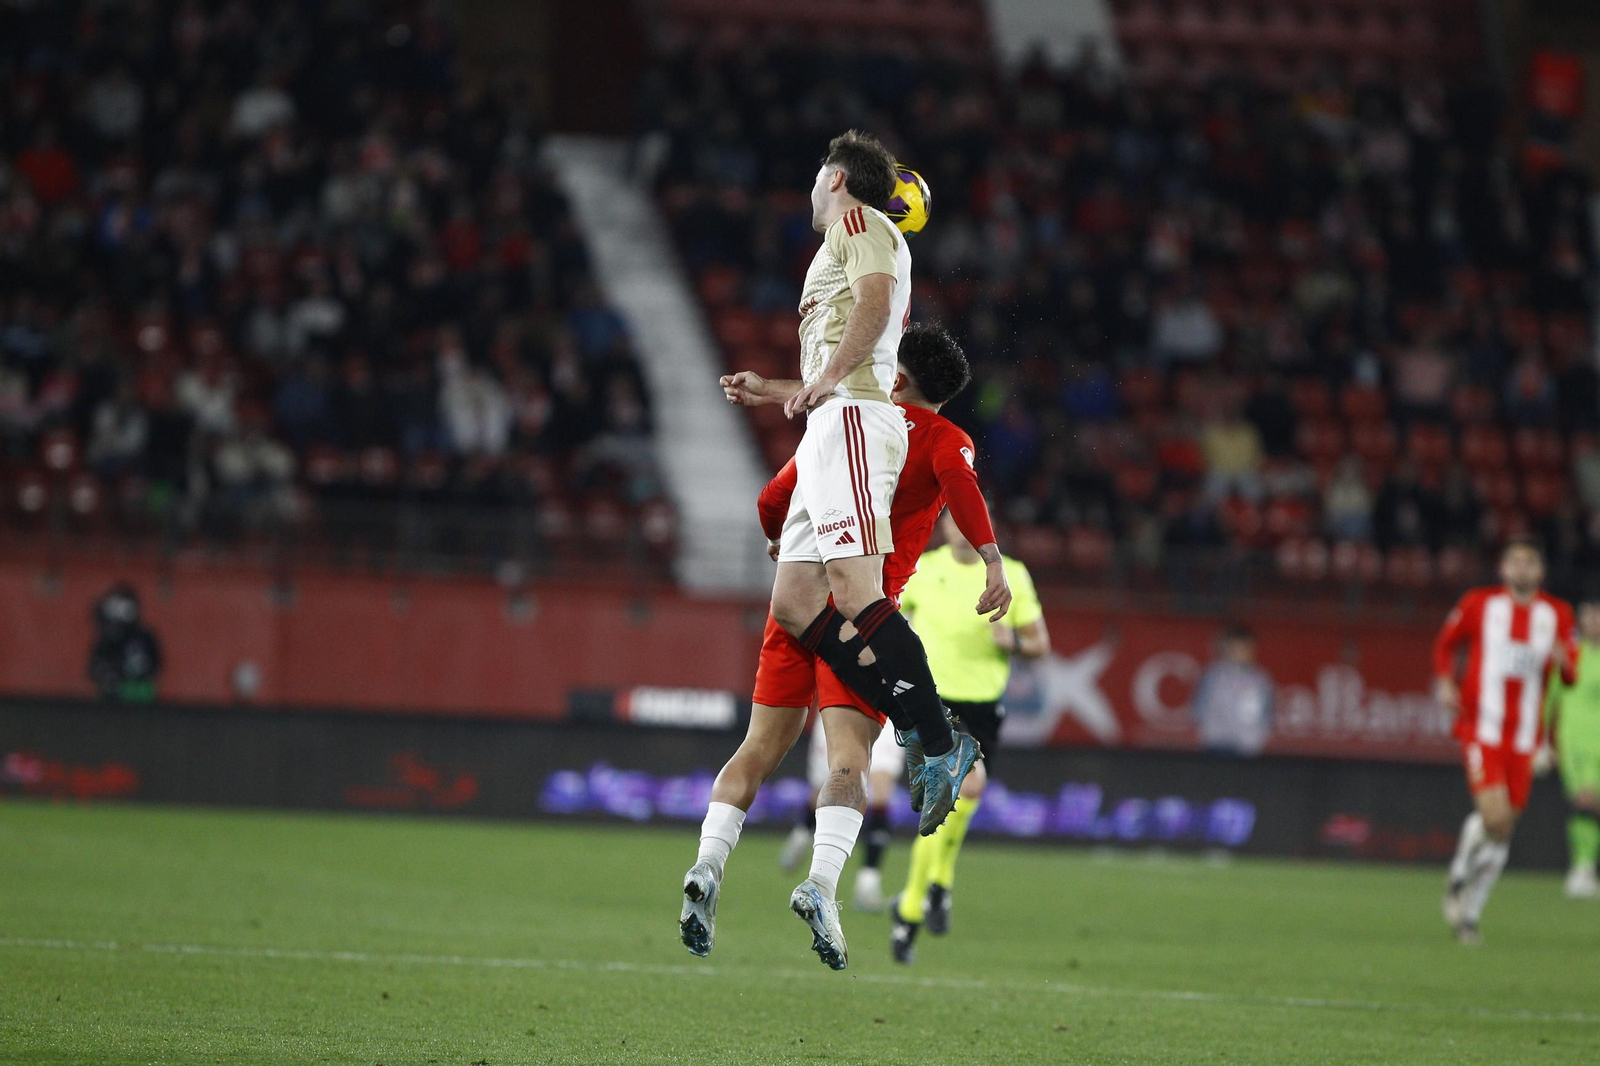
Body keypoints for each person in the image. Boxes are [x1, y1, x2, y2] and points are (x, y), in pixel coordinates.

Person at [682, 132, 998, 971]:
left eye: (816, 178)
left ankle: (938, 739)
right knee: (793, 605)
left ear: (832, 180)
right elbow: (849, 351)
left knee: (855, 591)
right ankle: (924, 739)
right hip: (831, 420)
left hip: (853, 424)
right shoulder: (844, 240)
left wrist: (826, 385)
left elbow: (870, 316)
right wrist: (787, 388)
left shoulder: (859, 223)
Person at [888, 509, 1048, 963]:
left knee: (963, 794)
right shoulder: (924, 569)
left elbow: (1041, 644)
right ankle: (919, 903)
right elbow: (893, 619)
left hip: (982, 707)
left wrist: (1013, 643)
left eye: (970, 522)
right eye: (953, 521)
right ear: (943, 528)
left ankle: (922, 894)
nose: (960, 529)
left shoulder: (1011, 575)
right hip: (932, 703)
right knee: (956, 788)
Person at [1435, 540, 1576, 943]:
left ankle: (1470, 917)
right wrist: (1446, 682)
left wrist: (1567, 664)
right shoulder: (1480, 604)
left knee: (1503, 830)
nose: (1522, 567)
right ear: (1502, 567)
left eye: (1530, 561)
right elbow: (1446, 644)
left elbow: (1568, 677)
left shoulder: (1557, 614)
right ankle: (1460, 870)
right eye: (1515, 560)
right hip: (1482, 728)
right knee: (1495, 818)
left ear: (1541, 572)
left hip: (1525, 738)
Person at [1543, 599, 1600, 899]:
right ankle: (1581, 870)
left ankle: (1586, 869)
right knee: (1586, 801)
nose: (1594, 622)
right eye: (1589, 616)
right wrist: (1542, 741)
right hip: (1576, 741)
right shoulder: (1569, 655)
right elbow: (1549, 700)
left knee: (1592, 806)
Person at [1190, 624, 1274, 757]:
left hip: (1248, 746)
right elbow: (1199, 708)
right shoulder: (1214, 675)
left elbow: (1267, 712)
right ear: (1225, 649)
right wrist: (1209, 730)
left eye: (1246, 648)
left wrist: (1258, 737)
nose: (1241, 653)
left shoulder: (1260, 679)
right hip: (1216, 742)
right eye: (1237, 648)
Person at [87, 583, 162, 703]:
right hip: (110, 703)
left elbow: (154, 667)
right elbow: (94, 669)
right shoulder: (106, 641)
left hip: (140, 700)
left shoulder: (144, 638)